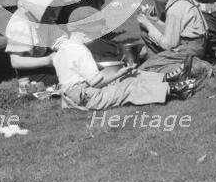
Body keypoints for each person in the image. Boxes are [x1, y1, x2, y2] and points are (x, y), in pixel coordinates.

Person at [52, 7, 199, 110]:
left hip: (73, 96)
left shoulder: (62, 49)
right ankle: (174, 89)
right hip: (88, 98)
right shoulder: (81, 51)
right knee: (127, 87)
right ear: (82, 32)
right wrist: (117, 74)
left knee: (128, 76)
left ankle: (169, 78)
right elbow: (95, 83)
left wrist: (118, 74)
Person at [136, 0, 212, 76]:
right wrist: (154, 22)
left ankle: (196, 67)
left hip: (187, 49)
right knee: (147, 43)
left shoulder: (174, 10)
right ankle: (165, 62)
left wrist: (148, 25)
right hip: (196, 45)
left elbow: (169, 45)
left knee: (145, 70)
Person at [4, 0, 67, 85]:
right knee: (65, 77)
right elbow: (16, 61)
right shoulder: (20, 23)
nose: (53, 14)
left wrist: (71, 47)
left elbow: (59, 39)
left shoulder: (45, 21)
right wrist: (48, 60)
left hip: (44, 63)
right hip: (30, 72)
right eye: (49, 9)